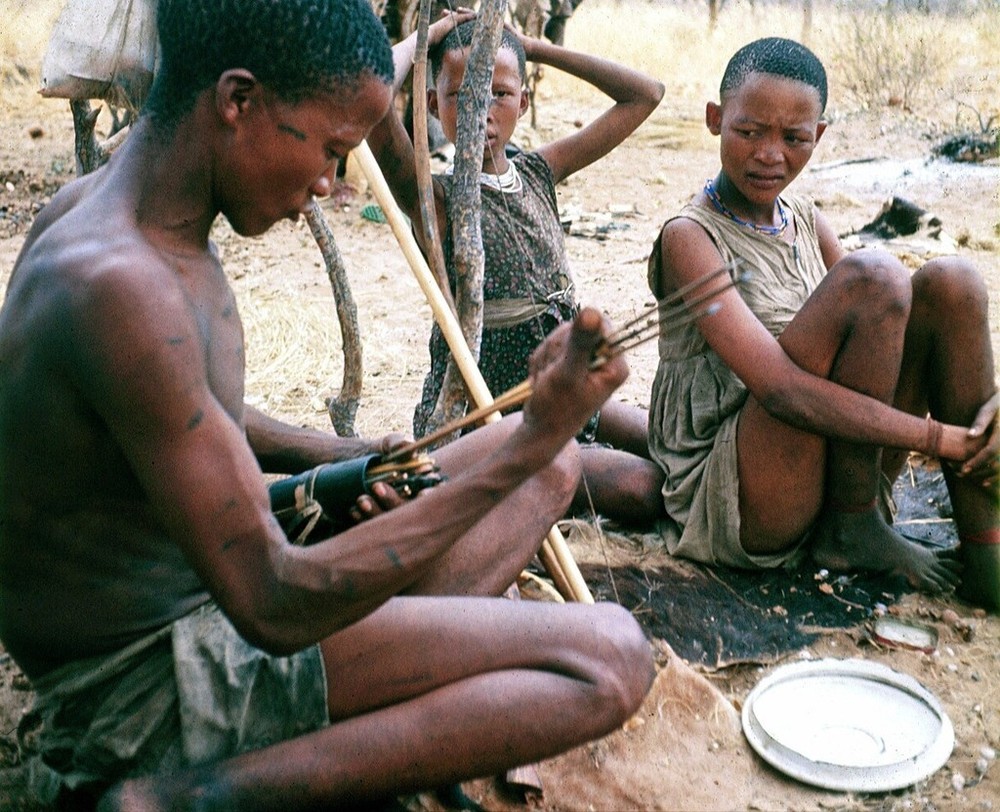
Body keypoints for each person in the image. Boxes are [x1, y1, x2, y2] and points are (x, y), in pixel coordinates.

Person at [0, 1, 657, 808]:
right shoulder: (125, 288)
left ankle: (390, 681)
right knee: (610, 657)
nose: (325, 188)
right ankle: (185, 796)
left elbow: (175, 410)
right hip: (149, 683)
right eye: (331, 150)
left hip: (199, 596)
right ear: (237, 102)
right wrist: (527, 443)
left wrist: (340, 461)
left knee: (546, 463)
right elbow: (273, 602)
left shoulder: (107, 216)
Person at [646, 36, 999, 610]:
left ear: (820, 136)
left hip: (832, 469)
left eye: (793, 138)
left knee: (953, 284)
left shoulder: (808, 220)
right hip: (743, 484)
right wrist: (939, 439)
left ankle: (988, 555)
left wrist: (984, 417)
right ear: (715, 120)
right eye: (749, 131)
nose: (769, 154)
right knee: (877, 275)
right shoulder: (691, 237)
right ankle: (852, 527)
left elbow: (885, 329)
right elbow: (781, 393)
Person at [368, 15, 666, 525]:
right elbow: (369, 90)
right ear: (434, 106)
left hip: (562, 381)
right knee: (644, 488)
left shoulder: (538, 170)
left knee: (665, 440)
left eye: (499, 93)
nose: (481, 109)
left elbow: (645, 94)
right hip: (494, 411)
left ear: (523, 104)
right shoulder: (430, 195)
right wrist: (429, 38)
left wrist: (534, 48)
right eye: (462, 95)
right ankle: (527, 477)